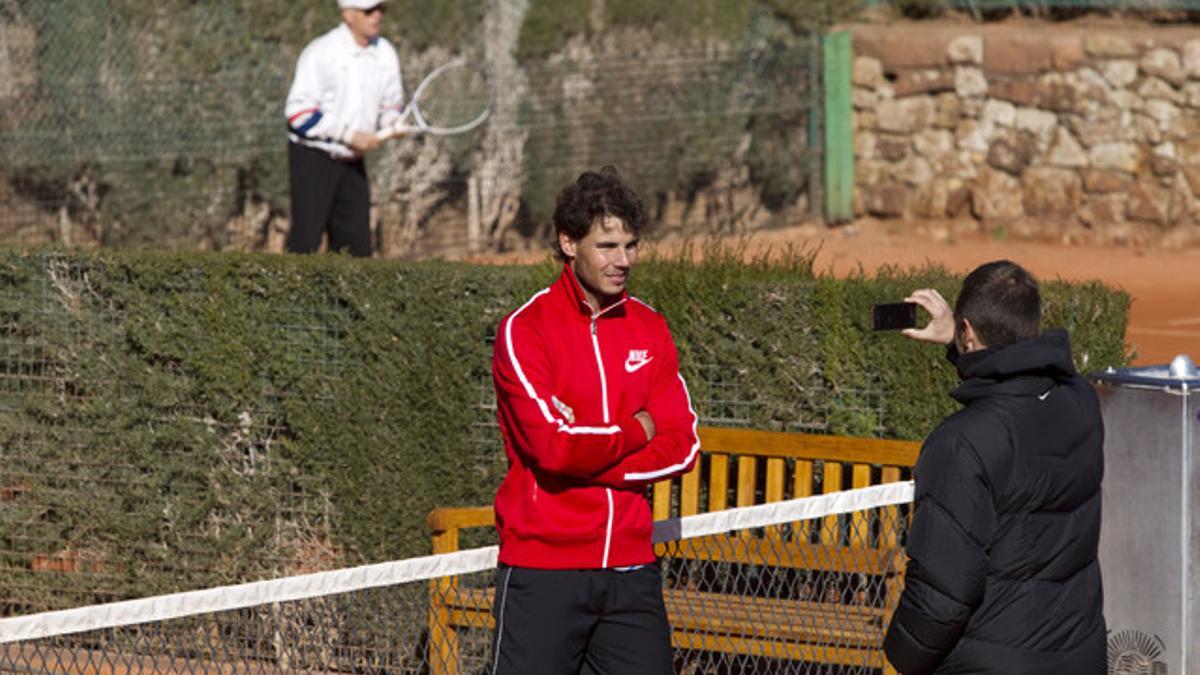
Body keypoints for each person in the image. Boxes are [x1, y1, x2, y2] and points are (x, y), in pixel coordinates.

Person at [488, 166, 700, 675]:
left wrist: (588, 458)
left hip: (631, 572)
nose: (623, 260)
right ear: (568, 242)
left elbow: (685, 445)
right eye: (607, 246)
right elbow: (553, 450)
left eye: (631, 245)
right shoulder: (524, 331)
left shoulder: (651, 327)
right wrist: (637, 429)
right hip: (543, 571)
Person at [883, 260, 1106, 674]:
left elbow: (942, 595)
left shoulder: (960, 442)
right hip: (1081, 656)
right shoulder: (1081, 402)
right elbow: (1021, 376)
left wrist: (899, 656)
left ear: (968, 330)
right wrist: (959, 339)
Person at [283, 0, 403, 257]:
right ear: (348, 15)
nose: (377, 16)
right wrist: (348, 136)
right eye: (369, 11)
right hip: (313, 157)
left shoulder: (385, 53)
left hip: (352, 163)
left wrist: (391, 123)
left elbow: (390, 105)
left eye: (381, 9)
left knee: (357, 248)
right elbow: (298, 114)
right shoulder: (321, 52)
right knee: (305, 242)